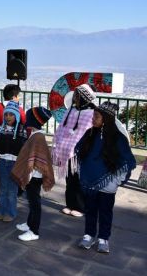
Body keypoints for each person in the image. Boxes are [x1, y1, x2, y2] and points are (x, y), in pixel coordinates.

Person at [75, 102, 136, 254]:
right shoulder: (90, 133)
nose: (93, 119)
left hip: (108, 184)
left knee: (105, 212)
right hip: (89, 182)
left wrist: (115, 181)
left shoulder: (118, 138)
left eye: (96, 116)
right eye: (93, 116)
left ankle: (103, 238)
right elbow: (81, 153)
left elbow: (127, 161)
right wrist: (83, 171)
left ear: (106, 119)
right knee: (90, 210)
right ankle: (89, 235)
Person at [11, 107, 55, 242]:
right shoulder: (35, 134)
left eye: (29, 116)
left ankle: (34, 231)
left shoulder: (38, 137)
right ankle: (29, 223)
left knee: (35, 203)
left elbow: (37, 161)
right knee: (31, 201)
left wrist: (28, 175)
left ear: (34, 120)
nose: (26, 119)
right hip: (33, 175)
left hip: (34, 176)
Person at [52, 84, 96, 217]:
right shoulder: (71, 110)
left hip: (80, 152)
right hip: (67, 151)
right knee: (69, 179)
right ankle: (70, 204)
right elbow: (62, 129)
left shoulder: (91, 113)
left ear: (84, 97)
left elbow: (87, 133)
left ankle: (80, 207)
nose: (75, 98)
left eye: (77, 95)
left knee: (79, 180)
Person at [0, 101, 27, 222]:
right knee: (3, 188)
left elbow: (23, 147)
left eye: (11, 115)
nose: (8, 117)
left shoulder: (21, 130)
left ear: (16, 116)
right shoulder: (0, 128)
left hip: (14, 163)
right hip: (2, 161)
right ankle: (2, 210)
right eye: (6, 114)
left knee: (12, 190)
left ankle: (11, 213)